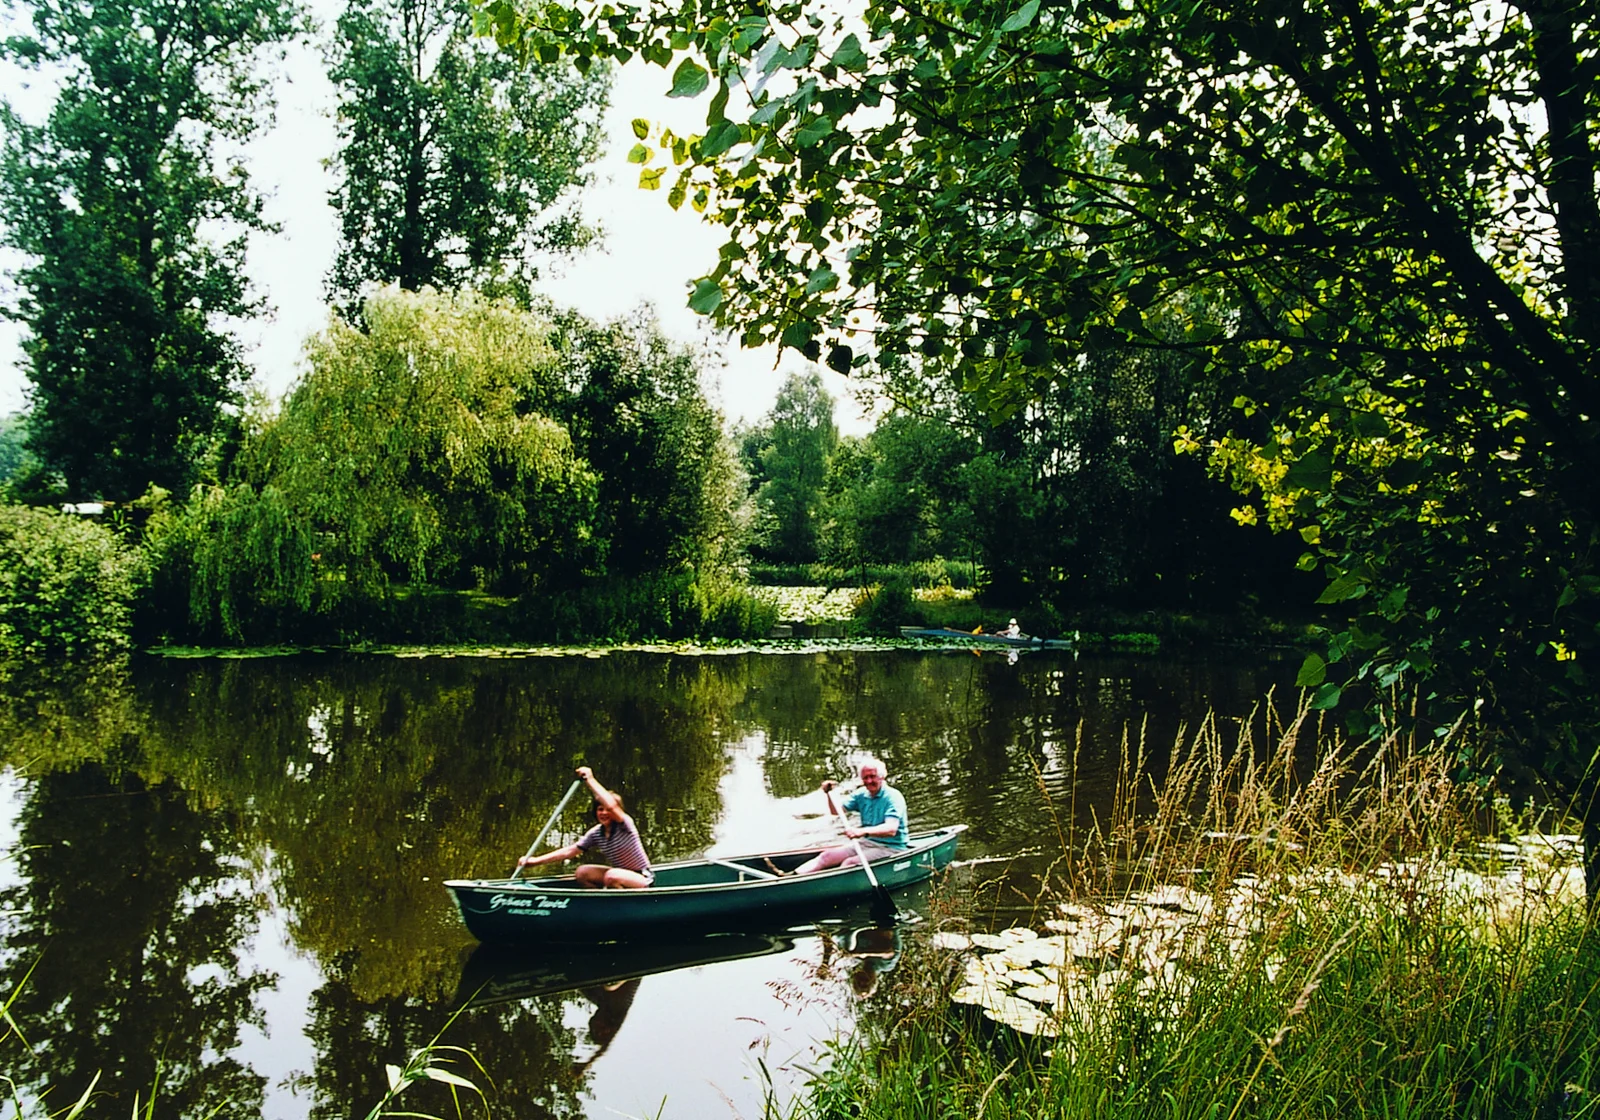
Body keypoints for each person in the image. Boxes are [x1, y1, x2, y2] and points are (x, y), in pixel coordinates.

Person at [517, 766, 654, 888]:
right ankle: (599, 904)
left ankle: (619, 908)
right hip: (618, 874)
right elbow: (569, 851)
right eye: (600, 809)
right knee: (582, 872)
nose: (604, 813)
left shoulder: (624, 825)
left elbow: (612, 805)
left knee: (612, 876)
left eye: (608, 810)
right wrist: (535, 861)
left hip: (641, 878)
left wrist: (590, 779)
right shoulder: (596, 833)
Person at [793, 757, 909, 875]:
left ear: (882, 776)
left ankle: (836, 887)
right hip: (867, 842)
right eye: (865, 778)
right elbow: (836, 811)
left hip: (891, 847)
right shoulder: (862, 794)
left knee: (850, 863)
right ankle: (791, 877)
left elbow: (891, 830)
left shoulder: (893, 797)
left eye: (872, 776)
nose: (869, 781)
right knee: (826, 856)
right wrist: (829, 794)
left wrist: (862, 832)